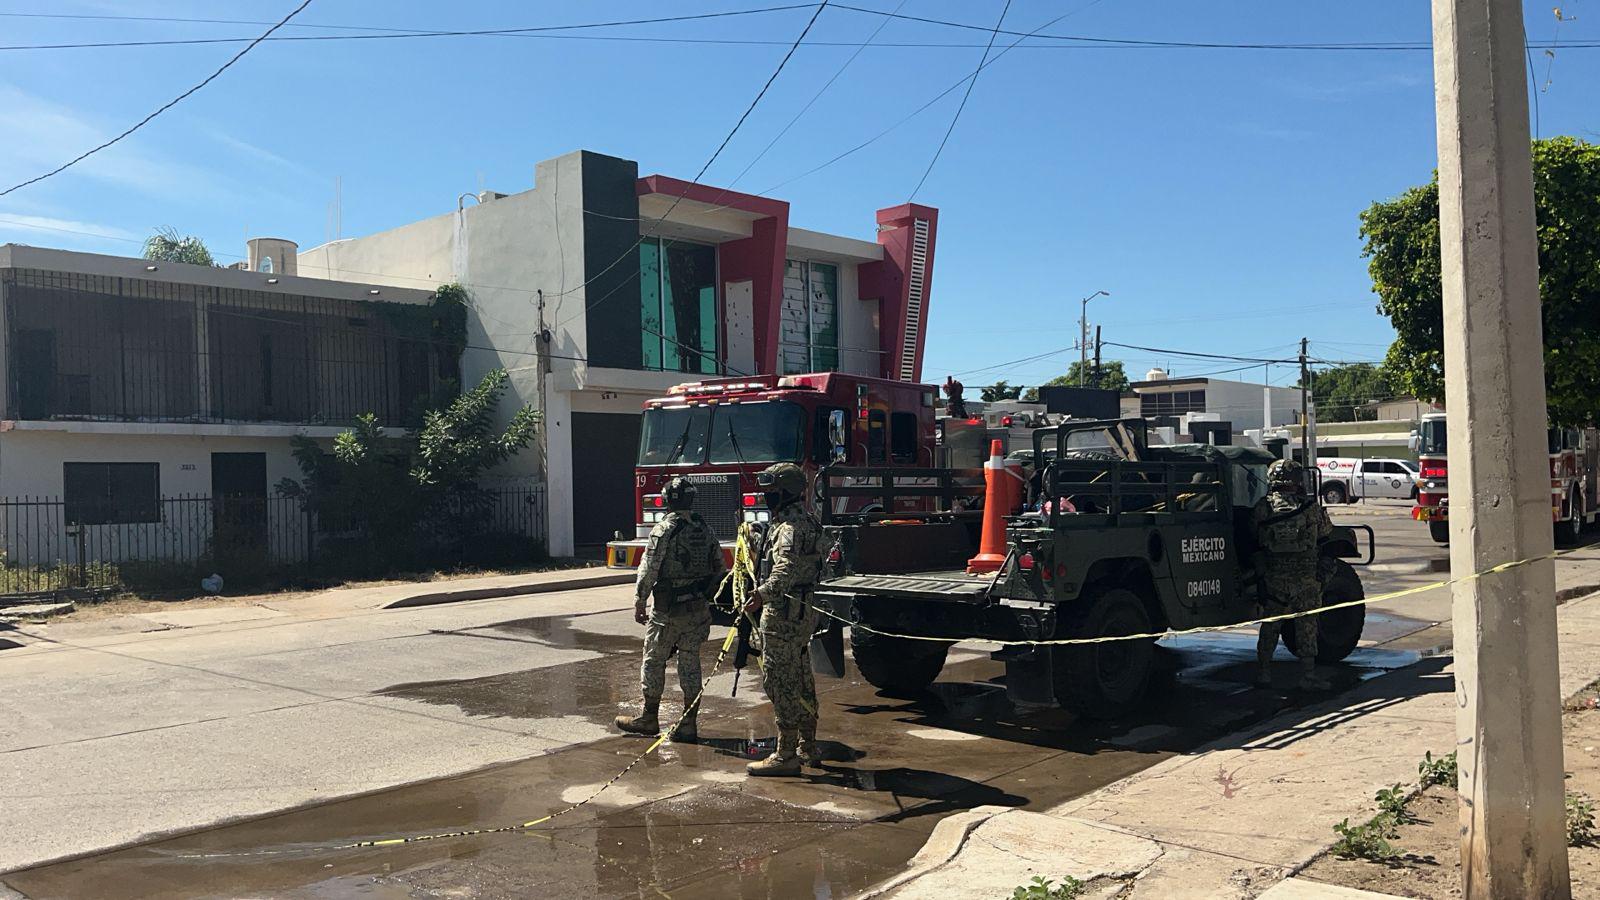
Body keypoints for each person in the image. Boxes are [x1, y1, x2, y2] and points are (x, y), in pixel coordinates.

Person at [615, 476, 726, 743]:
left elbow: (650, 569)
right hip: (697, 609)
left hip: (667, 611)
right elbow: (719, 568)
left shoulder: (663, 530)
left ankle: (649, 717)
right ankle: (688, 723)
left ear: (666, 501)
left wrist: (640, 601)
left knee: (654, 660)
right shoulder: (704, 528)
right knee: (690, 662)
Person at [744, 462, 825, 776]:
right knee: (803, 676)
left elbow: (784, 570)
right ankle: (808, 745)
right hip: (805, 613)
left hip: (783, 616)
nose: (767, 497)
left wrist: (761, 594)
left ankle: (786, 754)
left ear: (786, 492)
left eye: (772, 492)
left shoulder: (787, 527)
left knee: (780, 681)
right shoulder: (810, 522)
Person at [1252, 458, 1334, 690]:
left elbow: (1253, 537)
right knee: (1306, 625)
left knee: (1270, 625)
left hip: (1274, 578)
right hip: (1305, 579)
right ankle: (1308, 675)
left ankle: (1264, 672)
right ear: (1297, 480)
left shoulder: (1263, 507)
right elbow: (1326, 534)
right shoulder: (1309, 508)